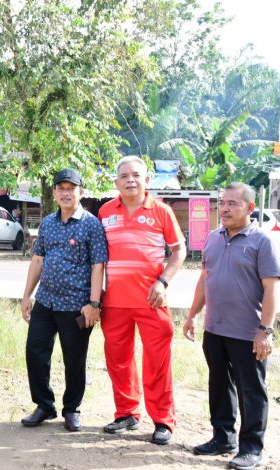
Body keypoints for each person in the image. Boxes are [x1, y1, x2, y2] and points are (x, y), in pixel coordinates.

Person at [183, 182, 280, 470]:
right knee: (219, 385)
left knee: (251, 390)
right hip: (215, 328)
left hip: (247, 332)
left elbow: (271, 289)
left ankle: (251, 449)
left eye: (232, 204)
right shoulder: (214, 238)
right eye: (222, 203)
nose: (224, 209)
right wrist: (191, 315)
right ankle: (223, 437)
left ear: (250, 208)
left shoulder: (262, 242)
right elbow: (205, 279)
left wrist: (265, 330)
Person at [98, 156, 186, 445]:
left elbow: (178, 250)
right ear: (116, 182)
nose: (130, 180)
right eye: (123, 176)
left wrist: (163, 281)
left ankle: (163, 421)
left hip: (151, 300)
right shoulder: (105, 211)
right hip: (113, 302)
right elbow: (98, 258)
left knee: (157, 362)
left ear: (147, 180)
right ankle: (127, 413)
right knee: (118, 361)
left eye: (136, 175)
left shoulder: (161, 211)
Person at [20, 169, 107, 431]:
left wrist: (93, 304)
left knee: (74, 359)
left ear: (81, 192)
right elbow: (38, 260)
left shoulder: (91, 224)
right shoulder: (47, 223)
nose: (66, 193)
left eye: (72, 188)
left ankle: (72, 409)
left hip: (76, 305)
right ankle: (44, 405)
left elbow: (97, 265)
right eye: (61, 188)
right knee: (35, 352)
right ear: (55, 193)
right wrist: (27, 295)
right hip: (45, 302)